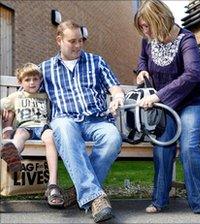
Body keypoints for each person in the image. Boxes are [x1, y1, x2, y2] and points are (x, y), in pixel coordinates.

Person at [134, 0, 200, 216]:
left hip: (192, 102)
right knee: (162, 147)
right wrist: (142, 71)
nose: (145, 31)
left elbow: (192, 74)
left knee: (189, 146)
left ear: (160, 20)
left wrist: (158, 95)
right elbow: (143, 59)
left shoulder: (186, 39)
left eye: (148, 26)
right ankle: (159, 200)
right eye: (142, 27)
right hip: (165, 105)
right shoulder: (148, 41)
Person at [39, 20, 124, 223]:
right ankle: (95, 198)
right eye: (72, 41)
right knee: (66, 131)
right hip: (65, 120)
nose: (78, 45)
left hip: (96, 119)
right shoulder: (45, 68)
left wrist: (118, 97)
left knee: (113, 137)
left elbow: (114, 87)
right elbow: (28, 93)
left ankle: (79, 192)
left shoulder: (97, 61)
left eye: (81, 41)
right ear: (59, 40)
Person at [0, 63, 64, 207]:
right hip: (25, 127)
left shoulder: (45, 96)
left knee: (50, 137)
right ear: (20, 82)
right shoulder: (16, 96)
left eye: (35, 79)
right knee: (20, 135)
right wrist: (5, 120)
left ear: (40, 80)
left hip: (43, 127)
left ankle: (52, 185)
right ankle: (12, 153)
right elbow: (2, 105)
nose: (32, 83)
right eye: (27, 80)